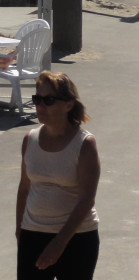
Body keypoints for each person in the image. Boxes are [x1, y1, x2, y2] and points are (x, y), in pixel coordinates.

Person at [17, 71, 100, 280]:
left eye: (49, 100)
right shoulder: (30, 139)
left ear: (69, 104)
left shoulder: (84, 144)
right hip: (33, 234)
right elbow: (24, 188)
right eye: (37, 99)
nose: (40, 106)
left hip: (76, 239)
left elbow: (86, 200)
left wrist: (58, 243)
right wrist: (20, 230)